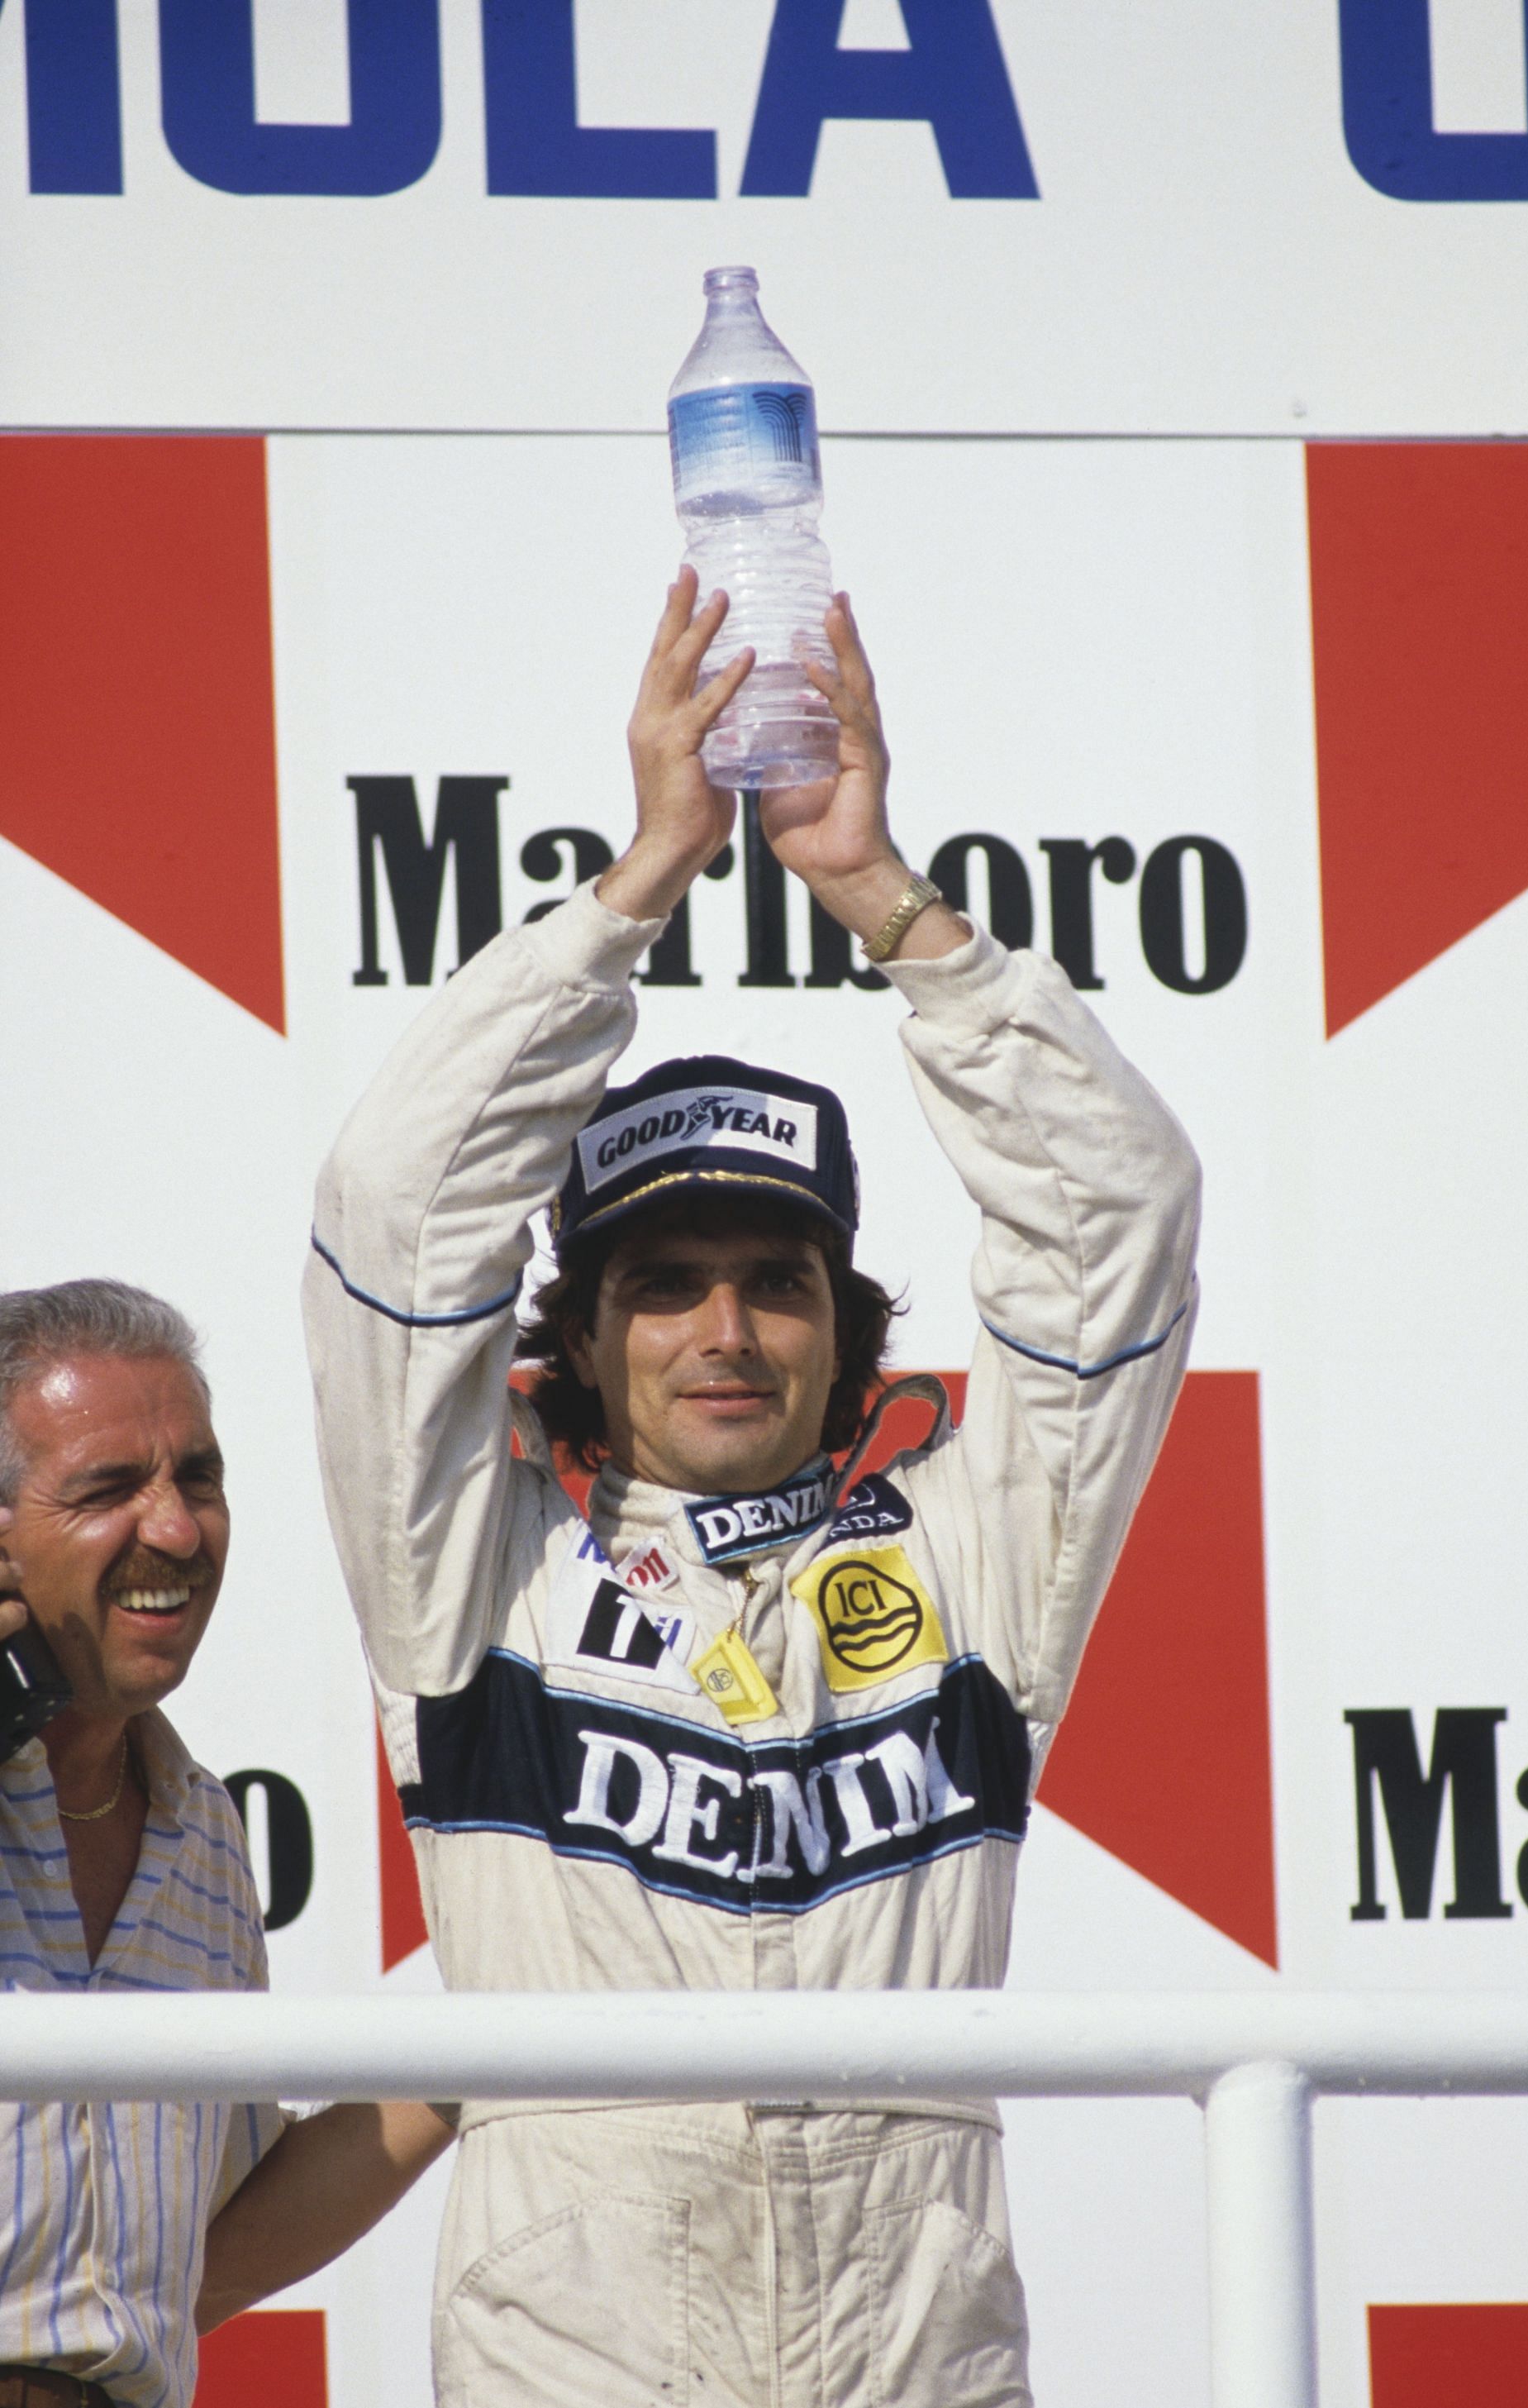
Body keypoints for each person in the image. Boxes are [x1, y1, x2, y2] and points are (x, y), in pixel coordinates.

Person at [303, 572, 1202, 2406]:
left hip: (916, 2370)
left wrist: (881, 897)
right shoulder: (476, 1570)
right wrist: (642, 878)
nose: (726, 1329)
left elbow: (1122, 1226)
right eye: (665, 1283)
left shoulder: (974, 1561)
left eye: (777, 1279)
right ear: (584, 1327)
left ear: (844, 1324)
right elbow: (397, 1223)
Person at [0, 1279, 453, 2408]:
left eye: (198, 1476)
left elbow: (205, 2255)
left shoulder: (200, 1832)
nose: (178, 1527)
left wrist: (497, 2019)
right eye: (109, 1489)